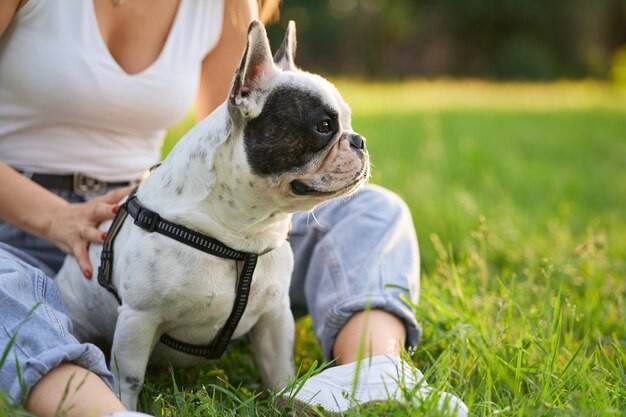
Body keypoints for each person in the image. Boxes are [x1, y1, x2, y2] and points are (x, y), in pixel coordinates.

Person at [0, 0, 468, 416]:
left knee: (374, 211)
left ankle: (372, 367)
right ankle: (102, 410)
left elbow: (233, 131)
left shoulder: (223, 5)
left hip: (149, 227)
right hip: (19, 225)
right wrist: (54, 217)